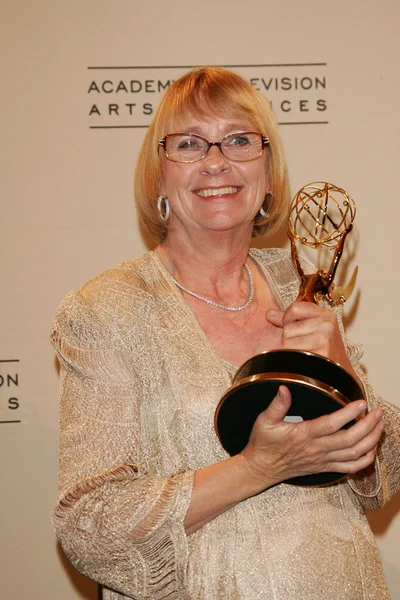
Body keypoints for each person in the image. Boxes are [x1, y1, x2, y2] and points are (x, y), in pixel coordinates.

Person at [51, 66, 400, 600]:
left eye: (239, 140)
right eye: (190, 144)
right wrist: (258, 467)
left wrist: (345, 374)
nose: (216, 162)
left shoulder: (299, 285)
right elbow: (88, 527)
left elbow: (385, 474)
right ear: (158, 177)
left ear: (267, 173)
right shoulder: (106, 310)